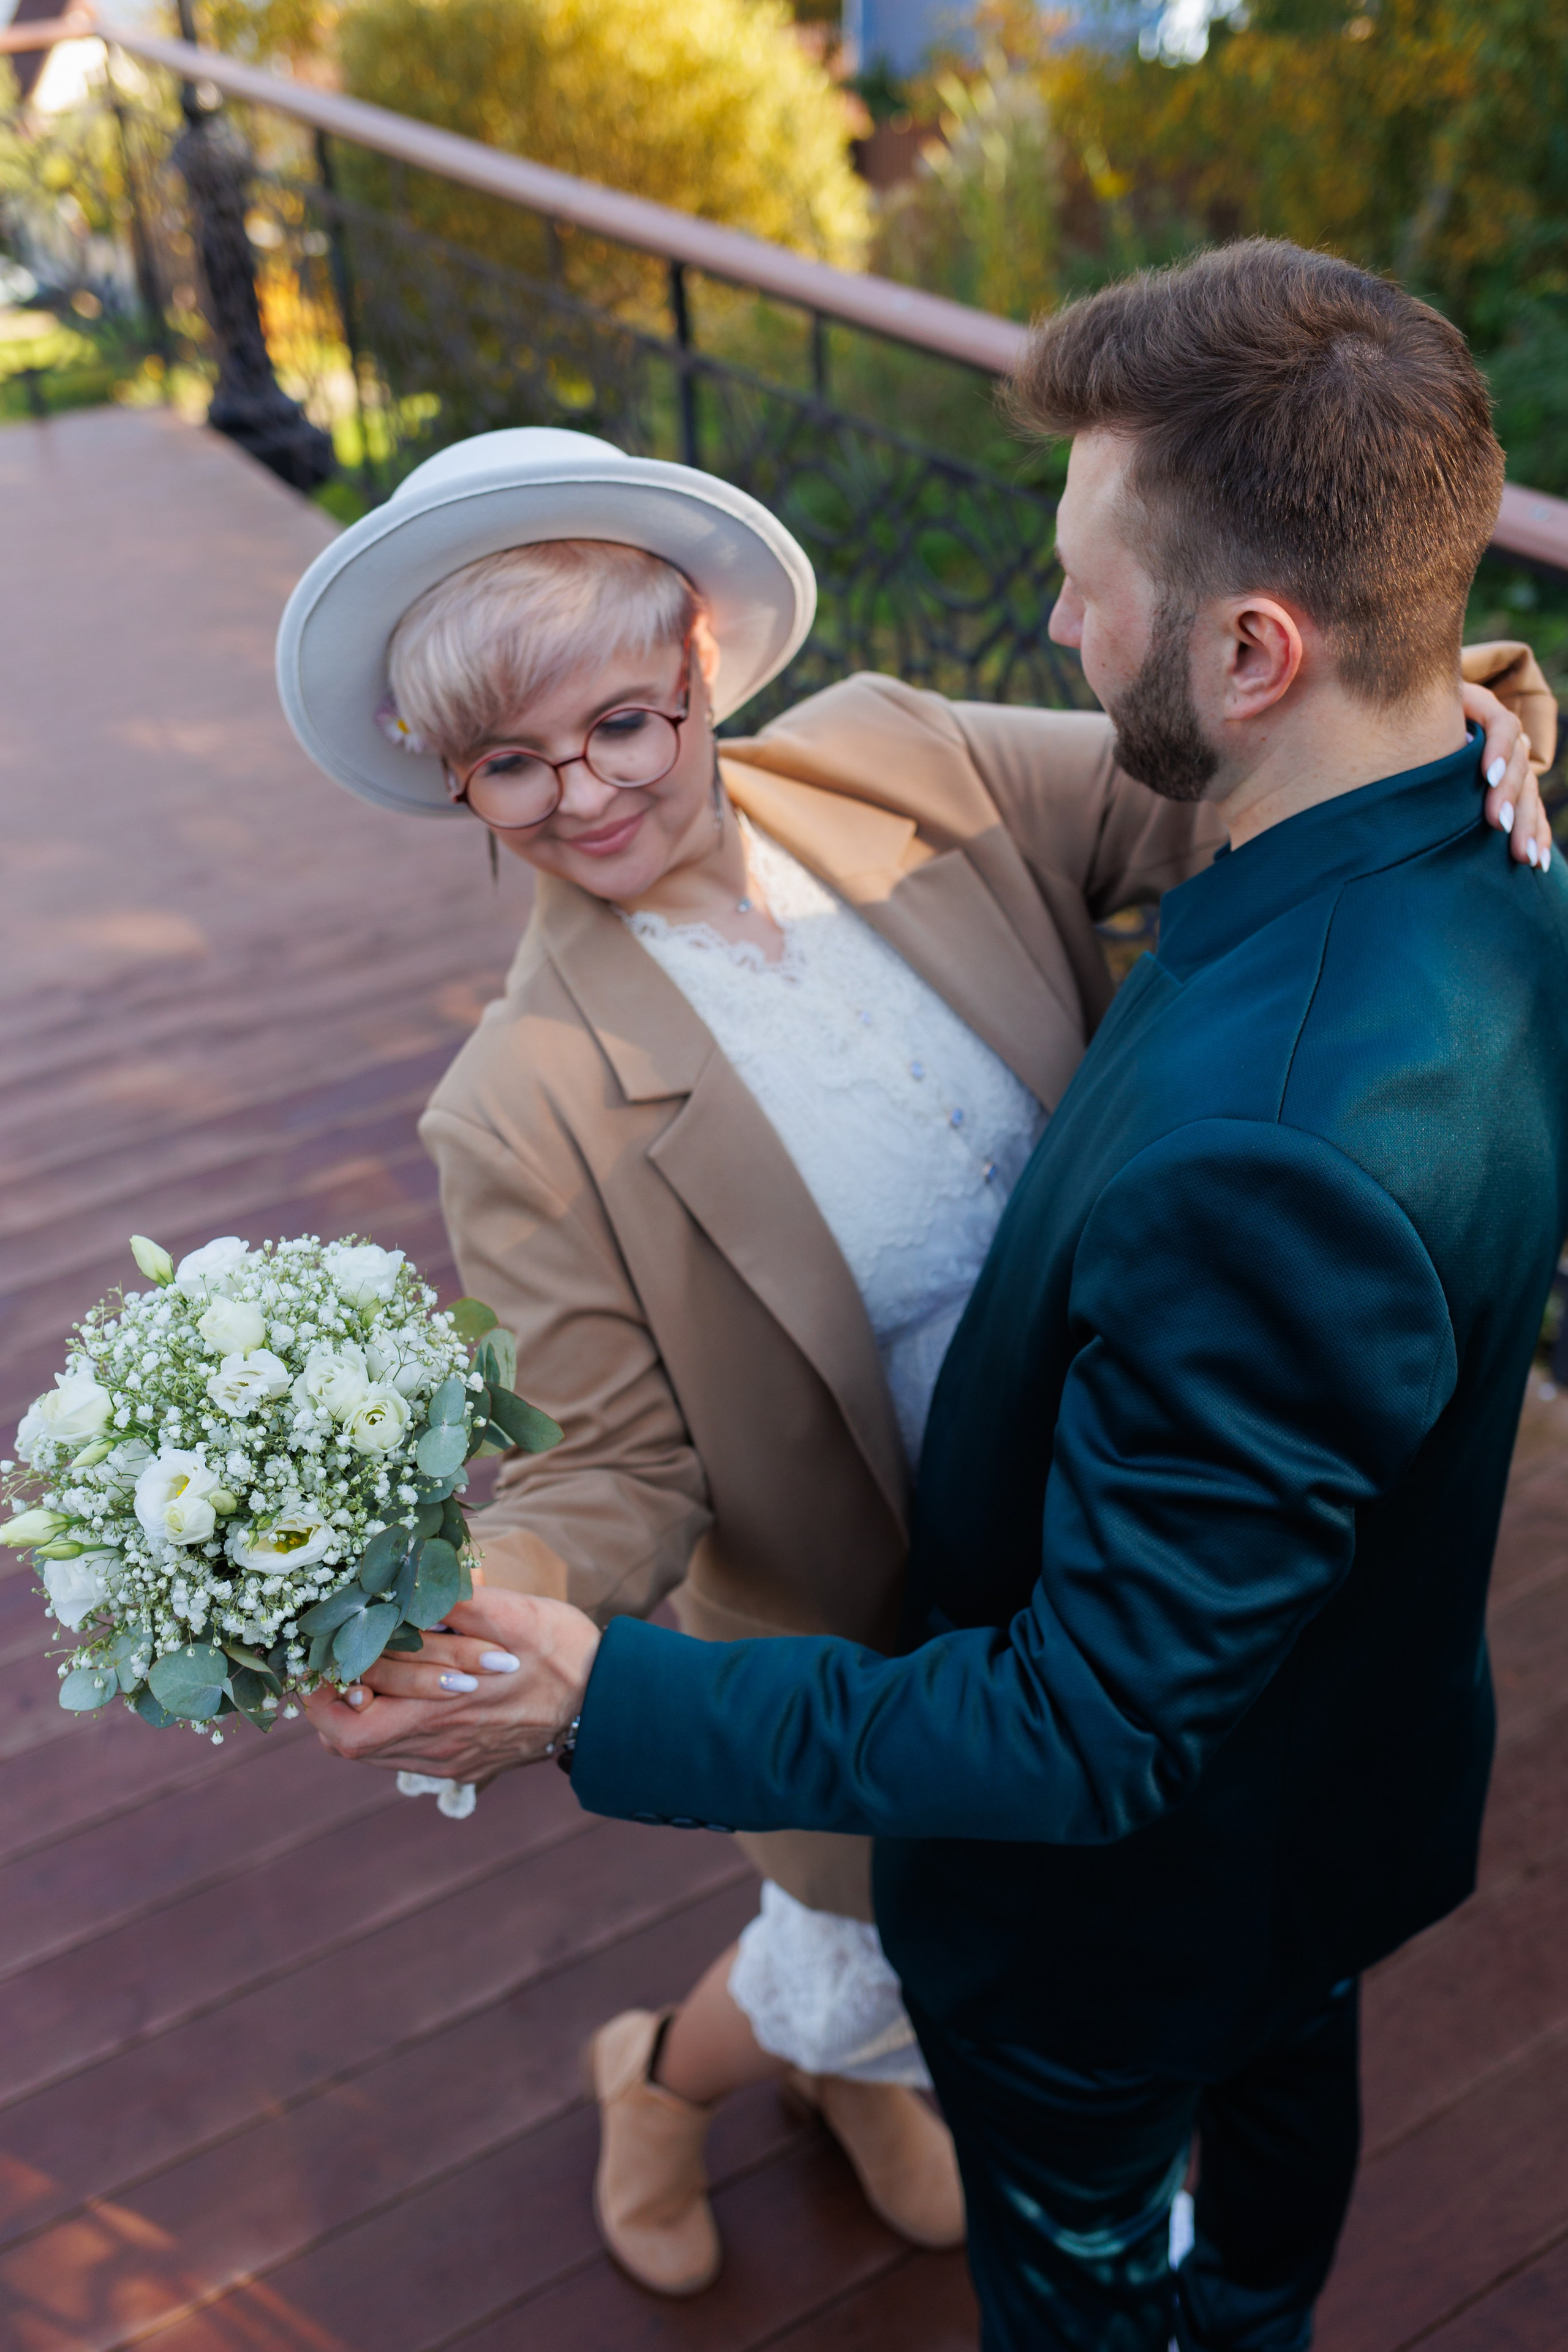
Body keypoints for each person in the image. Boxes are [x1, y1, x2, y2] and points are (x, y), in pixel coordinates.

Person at [295, 260, 1565, 2348]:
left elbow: (1240, 757)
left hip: (1153, 1540)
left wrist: (1478, 697)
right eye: (510, 770)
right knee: (875, 1975)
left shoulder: (903, 760)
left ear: (708, 664)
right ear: (456, 790)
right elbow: (612, 1459)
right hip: (893, 1655)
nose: (590, 794)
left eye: (627, 719)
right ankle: (672, 2085)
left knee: (963, 2025)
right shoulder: (516, 1106)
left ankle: (763, 2079)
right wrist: (484, 1597)